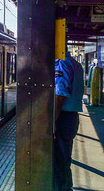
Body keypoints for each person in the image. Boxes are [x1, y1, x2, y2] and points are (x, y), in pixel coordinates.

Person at [54, 50, 84, 191]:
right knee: (65, 157)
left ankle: (62, 188)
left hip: (63, 117)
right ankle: (67, 187)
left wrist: (52, 122)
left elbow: (60, 94)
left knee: (59, 158)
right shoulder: (76, 64)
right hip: (71, 117)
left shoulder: (62, 63)